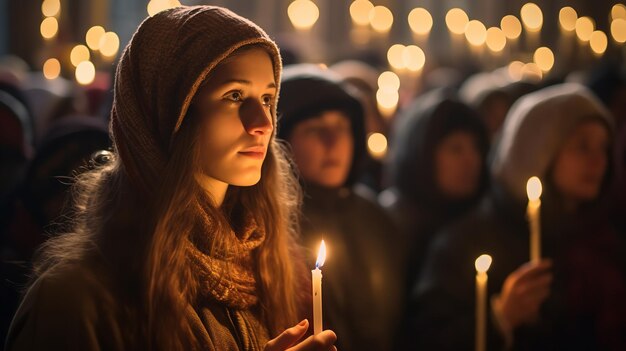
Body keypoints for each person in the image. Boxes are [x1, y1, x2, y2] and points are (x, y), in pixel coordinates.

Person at [5, 6, 337, 351]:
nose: (263, 123)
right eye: (235, 95)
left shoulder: (265, 271)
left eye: (267, 98)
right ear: (167, 110)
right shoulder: (76, 297)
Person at [408, 83, 626, 350]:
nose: (598, 161)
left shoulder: (604, 235)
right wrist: (501, 317)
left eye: (604, 147)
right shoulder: (465, 242)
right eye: (582, 147)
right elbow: (426, 339)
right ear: (537, 151)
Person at [277, 64, 402, 351]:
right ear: (282, 141)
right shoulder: (272, 224)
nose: (332, 142)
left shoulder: (375, 217)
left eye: (342, 127)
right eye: (315, 129)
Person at [380, 89, 489, 298]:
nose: (472, 160)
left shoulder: (481, 222)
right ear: (423, 156)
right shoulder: (393, 226)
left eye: (476, 148)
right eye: (456, 149)